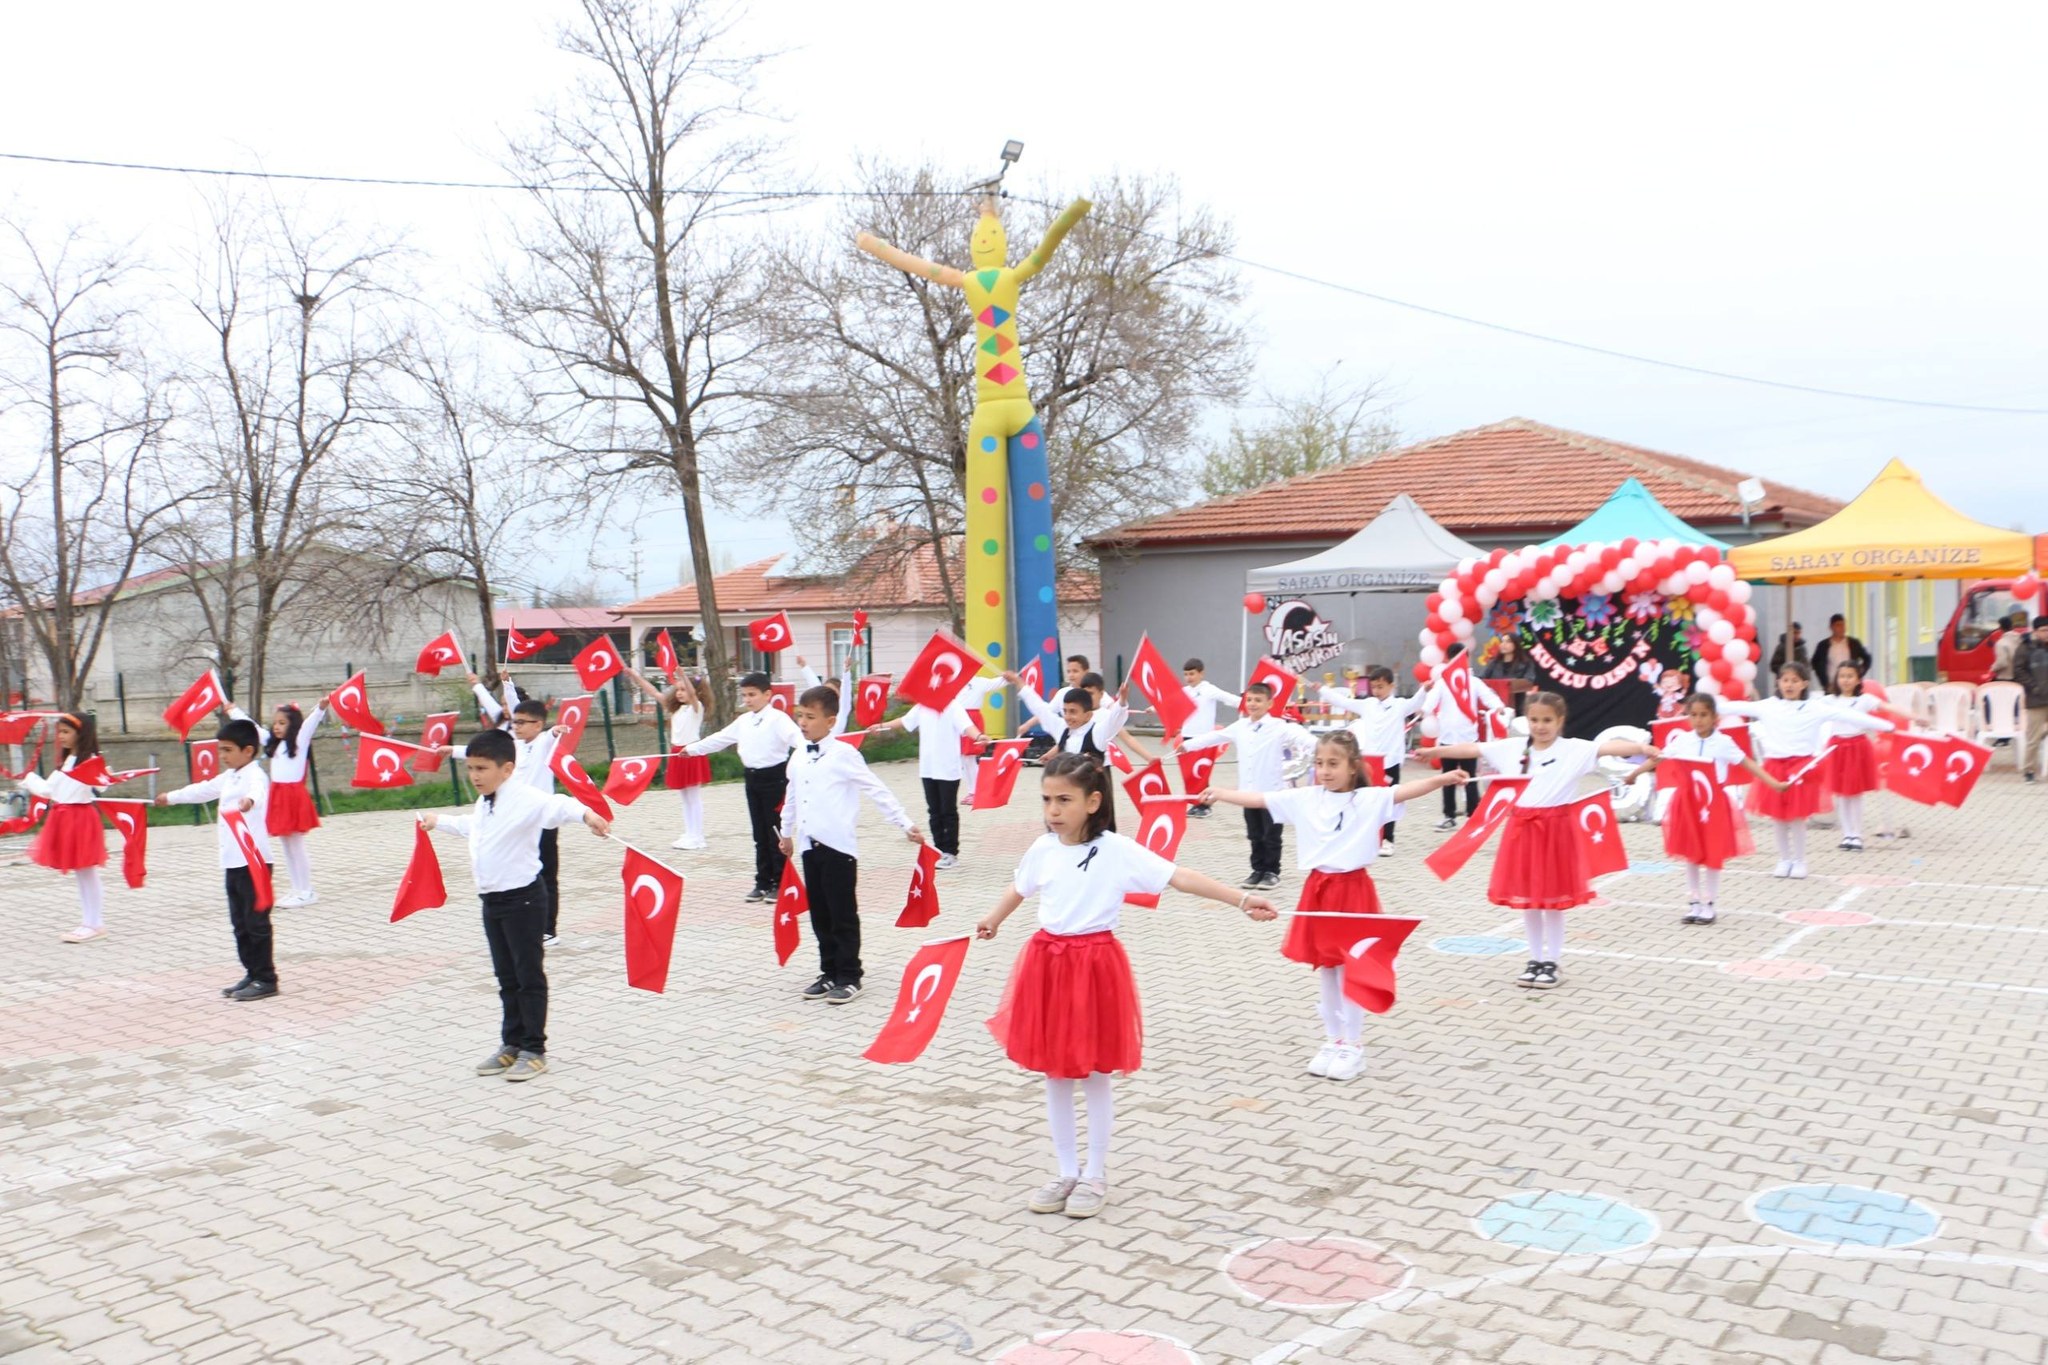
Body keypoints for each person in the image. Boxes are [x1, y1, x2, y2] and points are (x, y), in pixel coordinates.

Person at [977, 754, 1277, 1219]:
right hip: (1047, 964)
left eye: (1064, 800)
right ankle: (1066, 1170)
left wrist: (1241, 899)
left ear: (1093, 801)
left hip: (1095, 966)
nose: (1053, 810)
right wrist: (993, 920)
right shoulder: (1042, 848)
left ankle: (1095, 1174)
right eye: (1047, 800)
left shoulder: (1117, 850)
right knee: (1055, 1072)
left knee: (1095, 1072)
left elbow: (1179, 876)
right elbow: (1020, 887)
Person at [1202, 731, 1465, 1081]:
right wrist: (1221, 793)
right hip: (1318, 890)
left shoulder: (1369, 799)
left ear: (1353, 766)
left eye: (1333, 764)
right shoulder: (1306, 797)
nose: (1324, 771)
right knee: (1326, 968)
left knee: (1350, 967)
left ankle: (1353, 1046)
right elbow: (1260, 798)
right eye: (1319, 763)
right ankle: (1333, 1039)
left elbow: (1406, 791)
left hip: (1353, 891)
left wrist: (1443, 779)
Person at [1418, 692, 1656, 991]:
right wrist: (1435, 751)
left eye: (1547, 720)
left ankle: (1552, 961)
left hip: (1556, 832)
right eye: (1534, 720)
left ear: (1560, 721)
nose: (1540, 726)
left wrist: (1641, 747)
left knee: (1553, 901)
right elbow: (1473, 748)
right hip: (1522, 831)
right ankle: (1534, 959)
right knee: (1529, 899)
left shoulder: (1574, 749)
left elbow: (1608, 747)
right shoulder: (1513, 748)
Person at [423, 728, 610, 1083]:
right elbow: (475, 828)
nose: (474, 776)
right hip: (491, 901)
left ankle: (534, 1049)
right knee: (506, 977)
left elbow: (559, 805)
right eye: (471, 768)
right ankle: (511, 1043)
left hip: (523, 900)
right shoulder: (486, 801)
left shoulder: (526, 798)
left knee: (528, 977)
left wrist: (588, 816)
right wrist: (439, 821)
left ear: (507, 769)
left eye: (482, 768)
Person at [778, 686, 925, 1005]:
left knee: (841, 913)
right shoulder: (799, 754)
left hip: (838, 847)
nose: (803, 722)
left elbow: (876, 789)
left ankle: (849, 975)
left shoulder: (844, 754)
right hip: (808, 845)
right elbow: (792, 796)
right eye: (800, 716)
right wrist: (786, 832)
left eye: (810, 717)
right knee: (820, 914)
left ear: (831, 721)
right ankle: (829, 971)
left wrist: (904, 823)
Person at [1717, 663, 1893, 878]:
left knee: (1797, 817)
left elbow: (1849, 715)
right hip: (1775, 767)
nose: (1789, 685)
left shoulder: (1815, 707)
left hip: (1801, 768)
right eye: (1785, 680)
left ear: (1804, 684)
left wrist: (1886, 726)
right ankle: (1784, 859)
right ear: (1778, 683)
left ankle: (1800, 860)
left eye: (1795, 681)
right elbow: (1736, 707)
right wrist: (1709, 704)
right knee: (1778, 818)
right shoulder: (1768, 706)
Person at [1632, 693, 1785, 923]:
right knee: (1691, 853)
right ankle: (1694, 902)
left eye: (1704, 715)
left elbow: (1747, 763)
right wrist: (1634, 773)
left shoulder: (1723, 742)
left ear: (1715, 717)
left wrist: (1773, 783)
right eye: (1693, 715)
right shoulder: (1683, 740)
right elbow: (1658, 758)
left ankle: (1709, 903)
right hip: (1688, 805)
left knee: (1713, 853)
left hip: (1714, 806)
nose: (1698, 720)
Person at [156, 716, 277, 1000]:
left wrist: (249, 801)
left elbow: (258, 792)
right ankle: (251, 972)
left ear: (248, 751)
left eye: (227, 750)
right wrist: (170, 797)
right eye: (220, 749)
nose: (222, 755)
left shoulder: (255, 775)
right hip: (232, 861)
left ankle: (266, 978)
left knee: (256, 922)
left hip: (254, 861)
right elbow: (201, 790)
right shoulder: (229, 776)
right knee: (240, 923)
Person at [445, 698, 567, 942]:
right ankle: (526, 923)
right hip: (518, 817)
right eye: (515, 722)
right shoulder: (516, 747)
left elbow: (552, 735)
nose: (516, 726)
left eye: (522, 722)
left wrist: (556, 731)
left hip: (542, 818)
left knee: (546, 875)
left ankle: (548, 929)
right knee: (525, 870)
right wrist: (452, 751)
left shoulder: (544, 742)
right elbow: (486, 755)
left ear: (538, 724)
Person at [1180, 681, 1313, 890]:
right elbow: (1215, 737)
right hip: (1247, 793)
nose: (1252, 704)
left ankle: (1271, 872)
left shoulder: (1280, 727)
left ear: (1269, 703)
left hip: (1272, 794)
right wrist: (1187, 745)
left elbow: (1306, 740)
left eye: (1258, 700)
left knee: (1271, 835)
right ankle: (1257, 870)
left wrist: (1329, 748)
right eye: (1249, 700)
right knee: (1254, 834)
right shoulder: (1240, 727)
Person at [685, 671, 803, 901]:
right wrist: (692, 749)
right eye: (745, 695)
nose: (747, 699)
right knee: (759, 832)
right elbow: (720, 738)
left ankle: (781, 882)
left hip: (775, 779)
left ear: (767, 694)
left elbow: (798, 741)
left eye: (752, 694)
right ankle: (763, 881)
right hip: (752, 778)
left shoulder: (778, 719)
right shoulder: (744, 721)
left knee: (775, 832)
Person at [1008, 678, 1153, 830]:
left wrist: (1122, 701)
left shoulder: (1097, 733)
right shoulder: (1062, 729)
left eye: (1073, 712)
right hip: (1067, 804)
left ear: (1088, 715)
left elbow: (1115, 720)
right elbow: (1040, 709)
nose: (1068, 716)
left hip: (1092, 808)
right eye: (1065, 711)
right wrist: (1020, 684)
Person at [18, 713, 112, 943]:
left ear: (81, 734)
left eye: (66, 732)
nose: (61, 736)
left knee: (86, 871)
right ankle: (90, 922)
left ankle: (94, 923)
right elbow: (55, 788)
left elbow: (49, 789)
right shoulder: (71, 760)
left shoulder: (87, 761)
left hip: (79, 818)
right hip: (67, 816)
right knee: (82, 872)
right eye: (59, 732)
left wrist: (29, 778)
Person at [865, 693, 985, 871]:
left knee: (948, 811)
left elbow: (968, 727)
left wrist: (979, 736)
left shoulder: (953, 706)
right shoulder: (923, 705)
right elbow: (905, 721)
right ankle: (938, 850)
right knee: (933, 811)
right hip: (928, 769)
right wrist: (881, 726)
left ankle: (951, 853)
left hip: (948, 769)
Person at [1317, 666, 1425, 853]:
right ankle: (1366, 836)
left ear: (1391, 686)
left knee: (1390, 800)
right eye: (1373, 687)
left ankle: (1387, 839)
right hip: (1370, 762)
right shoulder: (1367, 705)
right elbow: (1343, 701)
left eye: (1380, 687)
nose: (1376, 691)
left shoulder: (1400, 705)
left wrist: (1425, 689)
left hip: (1391, 762)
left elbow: (1416, 702)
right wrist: (1322, 690)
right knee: (1365, 799)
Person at [230, 699, 325, 907]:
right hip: (278, 797)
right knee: (286, 845)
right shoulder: (273, 743)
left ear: (293, 725)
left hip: (293, 797)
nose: (277, 726)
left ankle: (307, 890)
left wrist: (320, 708)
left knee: (296, 845)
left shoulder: (299, 741)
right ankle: (296, 888)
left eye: (282, 723)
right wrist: (234, 711)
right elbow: (253, 727)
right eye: (275, 723)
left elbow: (309, 725)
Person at [1819, 661, 1913, 850]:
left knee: (1855, 794)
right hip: (1837, 748)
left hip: (1857, 748)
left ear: (1858, 680)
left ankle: (1857, 834)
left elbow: (1888, 707)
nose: (1845, 680)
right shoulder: (1829, 700)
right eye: (1842, 676)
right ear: (1837, 679)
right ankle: (1847, 835)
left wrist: (1914, 716)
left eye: (1850, 676)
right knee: (1842, 794)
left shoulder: (1864, 700)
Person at [624, 668, 710, 850]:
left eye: (683, 689)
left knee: (693, 797)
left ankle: (698, 836)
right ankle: (690, 833)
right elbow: (654, 692)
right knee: (685, 798)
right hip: (677, 753)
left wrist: (683, 676)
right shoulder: (676, 709)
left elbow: (693, 694)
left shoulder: (697, 707)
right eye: (677, 689)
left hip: (691, 753)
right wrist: (636, 677)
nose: (679, 693)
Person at [1424, 649, 1509, 830]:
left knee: (1470, 778)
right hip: (1448, 739)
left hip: (1468, 739)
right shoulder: (1443, 683)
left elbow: (1489, 697)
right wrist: (1423, 710)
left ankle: (1473, 816)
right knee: (1447, 779)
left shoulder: (1473, 682)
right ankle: (1449, 816)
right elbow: (1430, 702)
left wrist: (1498, 707)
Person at [1176, 659, 1241, 819]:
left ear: (1201, 673)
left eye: (1192, 674)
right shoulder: (1184, 691)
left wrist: (1248, 703)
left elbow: (1230, 699)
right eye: (1186, 674)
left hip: (1205, 739)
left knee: (1201, 773)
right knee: (1190, 774)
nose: (1189, 677)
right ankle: (1196, 803)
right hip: (1187, 738)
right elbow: (1169, 704)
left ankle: (1204, 806)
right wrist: (1153, 708)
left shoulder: (1209, 689)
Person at [2013, 615, 2048, 784]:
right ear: (2035, 631)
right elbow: (2018, 671)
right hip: (2036, 700)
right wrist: (2034, 687)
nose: (2047, 633)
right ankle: (2029, 771)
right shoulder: (2025, 647)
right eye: (2043, 630)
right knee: (2033, 738)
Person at [1810, 614, 1873, 680]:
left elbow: (1867, 658)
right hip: (1831, 682)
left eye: (1843, 625)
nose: (1842, 628)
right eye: (1838, 625)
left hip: (1851, 681)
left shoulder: (1854, 643)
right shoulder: (1823, 646)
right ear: (1831, 627)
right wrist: (1823, 679)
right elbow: (1815, 663)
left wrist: (1860, 671)